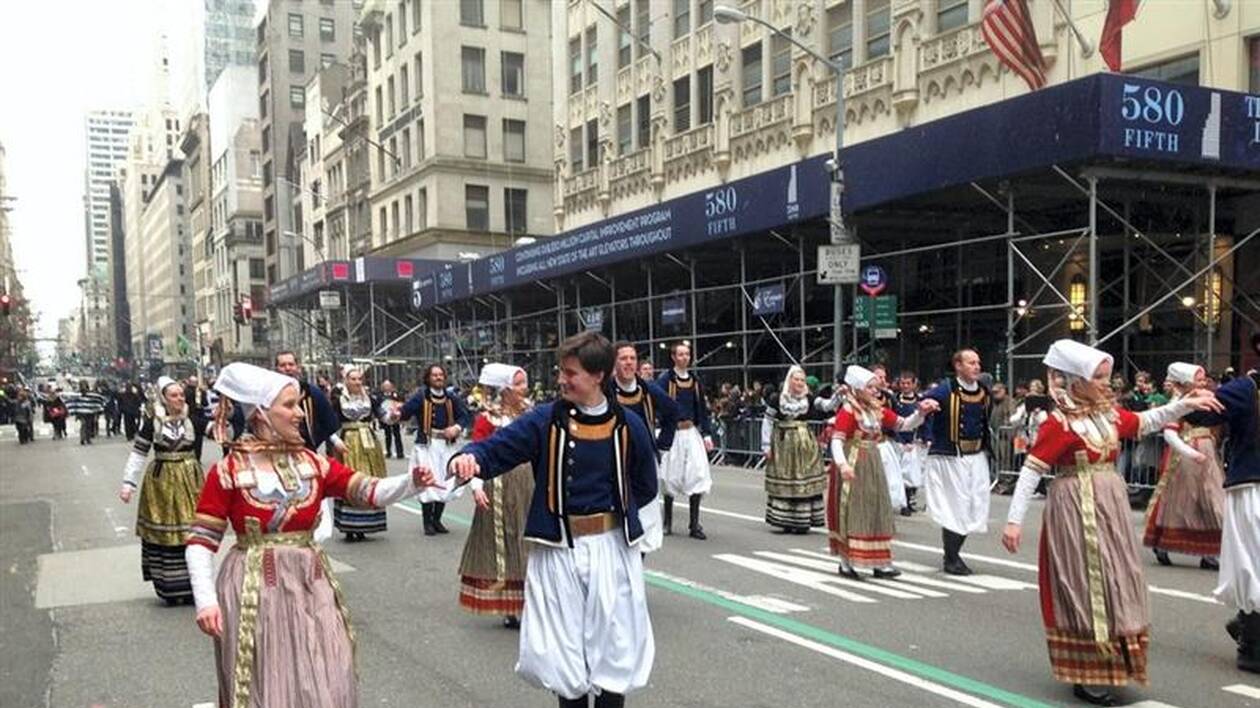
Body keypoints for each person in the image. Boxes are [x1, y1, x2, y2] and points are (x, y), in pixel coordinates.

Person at [185, 362, 436, 707]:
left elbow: (368, 490)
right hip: (254, 588)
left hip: (311, 582)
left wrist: (412, 482)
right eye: (289, 406)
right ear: (260, 413)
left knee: (330, 671)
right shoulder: (228, 470)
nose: (300, 414)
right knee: (268, 681)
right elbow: (200, 542)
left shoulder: (311, 462)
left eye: (299, 404)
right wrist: (205, 601)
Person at [1002, 339, 1221, 705]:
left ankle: (1111, 662)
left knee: (1118, 579)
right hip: (1076, 508)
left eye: (1107, 376)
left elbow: (1145, 422)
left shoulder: (1107, 414)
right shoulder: (1059, 422)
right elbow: (1030, 471)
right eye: (1100, 377)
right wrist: (1013, 521)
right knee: (1085, 585)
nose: (1108, 383)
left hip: (1110, 506)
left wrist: (1185, 404)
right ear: (1078, 381)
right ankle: (1087, 671)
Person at [449, 332, 657, 708]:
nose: (562, 379)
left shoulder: (629, 425)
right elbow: (496, 448)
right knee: (564, 655)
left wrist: (612, 518)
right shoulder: (545, 421)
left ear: (598, 376)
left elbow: (646, 485)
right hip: (558, 550)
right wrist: (468, 459)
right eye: (561, 371)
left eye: (571, 373)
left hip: (611, 550)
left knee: (614, 648)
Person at [829, 365, 936, 579]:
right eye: (870, 387)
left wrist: (921, 412)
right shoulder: (849, 410)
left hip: (873, 461)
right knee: (854, 509)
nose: (875, 391)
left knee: (878, 507)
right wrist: (843, 465)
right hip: (855, 460)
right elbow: (837, 440)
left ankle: (880, 562)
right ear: (858, 388)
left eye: (876, 387)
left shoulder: (877, 409)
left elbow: (903, 424)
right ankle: (846, 562)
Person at [457, 363, 535, 629]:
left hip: (529, 483)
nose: (525, 388)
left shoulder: (532, 414)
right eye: (520, 384)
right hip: (499, 484)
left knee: (530, 538)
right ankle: (510, 605)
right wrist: (476, 486)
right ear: (506, 389)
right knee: (505, 540)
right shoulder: (488, 418)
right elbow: (477, 453)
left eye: (524, 383)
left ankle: (533, 599)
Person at [118, 377, 206, 605]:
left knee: (193, 532)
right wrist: (129, 484)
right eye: (174, 395)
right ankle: (170, 587)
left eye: (181, 395)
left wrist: (227, 418)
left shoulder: (193, 419)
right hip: (161, 483)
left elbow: (219, 432)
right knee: (164, 535)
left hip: (191, 482)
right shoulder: (152, 422)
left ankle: (195, 584)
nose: (179, 399)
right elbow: (138, 453)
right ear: (164, 399)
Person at [1143, 362, 1225, 570]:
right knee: (1183, 502)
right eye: (1198, 379)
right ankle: (1165, 543)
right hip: (1187, 458)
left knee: (1213, 499)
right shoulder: (1179, 403)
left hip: (1207, 453)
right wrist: (1191, 452)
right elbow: (1170, 434)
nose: (1203, 382)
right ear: (1186, 382)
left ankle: (1210, 551)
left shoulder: (1206, 399)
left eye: (1204, 379)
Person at [922, 349, 993, 575]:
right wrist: (926, 408)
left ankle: (953, 554)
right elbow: (924, 403)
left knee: (975, 504)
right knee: (956, 507)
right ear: (958, 366)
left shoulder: (983, 391)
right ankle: (951, 557)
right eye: (971, 362)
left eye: (978, 362)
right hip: (951, 457)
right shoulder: (945, 389)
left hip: (976, 456)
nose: (976, 366)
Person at [1210, 370, 1260, 673]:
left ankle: (1246, 625)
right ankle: (1251, 645)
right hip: (1252, 488)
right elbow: (1203, 413)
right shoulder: (1247, 389)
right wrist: (1194, 398)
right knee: (1252, 566)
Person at [611, 343, 677, 554]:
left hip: (644, 463)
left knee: (646, 519)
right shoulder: (605, 391)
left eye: (632, 358)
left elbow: (673, 411)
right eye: (623, 358)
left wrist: (663, 445)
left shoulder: (647, 389)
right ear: (614, 363)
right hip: (614, 462)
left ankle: (637, 563)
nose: (629, 363)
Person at [395, 363, 471, 535]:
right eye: (434, 375)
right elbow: (405, 412)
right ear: (428, 378)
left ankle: (437, 520)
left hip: (446, 445)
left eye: (441, 375)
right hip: (427, 445)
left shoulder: (451, 398)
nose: (438, 378)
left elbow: (465, 415)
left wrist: (457, 428)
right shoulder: (421, 396)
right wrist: (396, 413)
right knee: (428, 481)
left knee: (445, 481)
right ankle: (427, 522)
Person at [656, 341, 714, 540]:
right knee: (670, 476)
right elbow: (658, 404)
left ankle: (694, 524)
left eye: (687, 354)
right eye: (680, 354)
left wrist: (706, 433)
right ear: (673, 357)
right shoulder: (665, 379)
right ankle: (667, 522)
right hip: (673, 433)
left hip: (690, 432)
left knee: (697, 474)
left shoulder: (695, 381)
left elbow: (702, 409)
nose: (684, 358)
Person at [762, 365, 829, 533]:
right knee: (787, 478)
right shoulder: (777, 399)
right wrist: (766, 445)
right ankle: (784, 519)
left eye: (802, 380)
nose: (799, 383)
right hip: (783, 443)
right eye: (796, 379)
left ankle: (803, 519)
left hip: (804, 443)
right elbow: (768, 421)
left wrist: (840, 397)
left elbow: (827, 406)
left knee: (804, 479)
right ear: (789, 380)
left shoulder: (809, 398)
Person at [329, 365, 390, 542]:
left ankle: (367, 524)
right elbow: (329, 422)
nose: (356, 382)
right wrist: (335, 440)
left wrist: (393, 416)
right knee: (350, 480)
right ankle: (350, 525)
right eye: (353, 379)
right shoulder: (338, 400)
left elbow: (382, 416)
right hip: (348, 442)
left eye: (359, 379)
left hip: (368, 442)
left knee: (369, 479)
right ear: (346, 381)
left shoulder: (369, 398)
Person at [274, 350, 340, 452]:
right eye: (282, 365)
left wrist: (314, 440)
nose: (287, 368)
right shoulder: (269, 394)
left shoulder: (311, 392)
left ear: (297, 367)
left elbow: (328, 421)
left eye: (291, 364)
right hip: (276, 449)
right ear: (276, 369)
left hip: (306, 450)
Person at [891, 371, 931, 515]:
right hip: (898, 439)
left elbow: (926, 420)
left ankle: (910, 499)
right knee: (898, 472)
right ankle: (902, 502)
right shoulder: (894, 400)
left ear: (914, 384)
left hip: (914, 441)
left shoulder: (920, 401)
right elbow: (892, 421)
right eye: (902, 383)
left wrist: (927, 438)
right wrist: (899, 440)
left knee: (913, 473)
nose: (905, 386)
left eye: (908, 383)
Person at [377, 379, 406, 459]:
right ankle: (388, 451)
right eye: (385, 386)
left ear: (391, 386)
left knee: (397, 435)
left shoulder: (397, 395)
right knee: (387, 435)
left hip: (395, 418)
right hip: (385, 418)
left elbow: (402, 404)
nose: (387, 387)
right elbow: (378, 407)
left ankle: (400, 452)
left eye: (388, 386)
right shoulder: (380, 396)